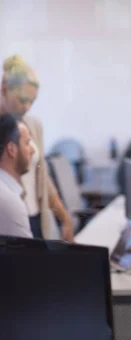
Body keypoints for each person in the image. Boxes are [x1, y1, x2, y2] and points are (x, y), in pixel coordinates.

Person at [0, 55, 74, 241]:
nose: (27, 107)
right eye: (23, 100)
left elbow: (42, 177)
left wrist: (64, 218)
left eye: (32, 101)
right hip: (7, 219)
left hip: (36, 218)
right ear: (4, 89)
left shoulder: (33, 125)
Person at [0, 114, 35, 237]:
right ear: (12, 149)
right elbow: (27, 256)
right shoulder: (10, 201)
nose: (33, 150)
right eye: (27, 143)